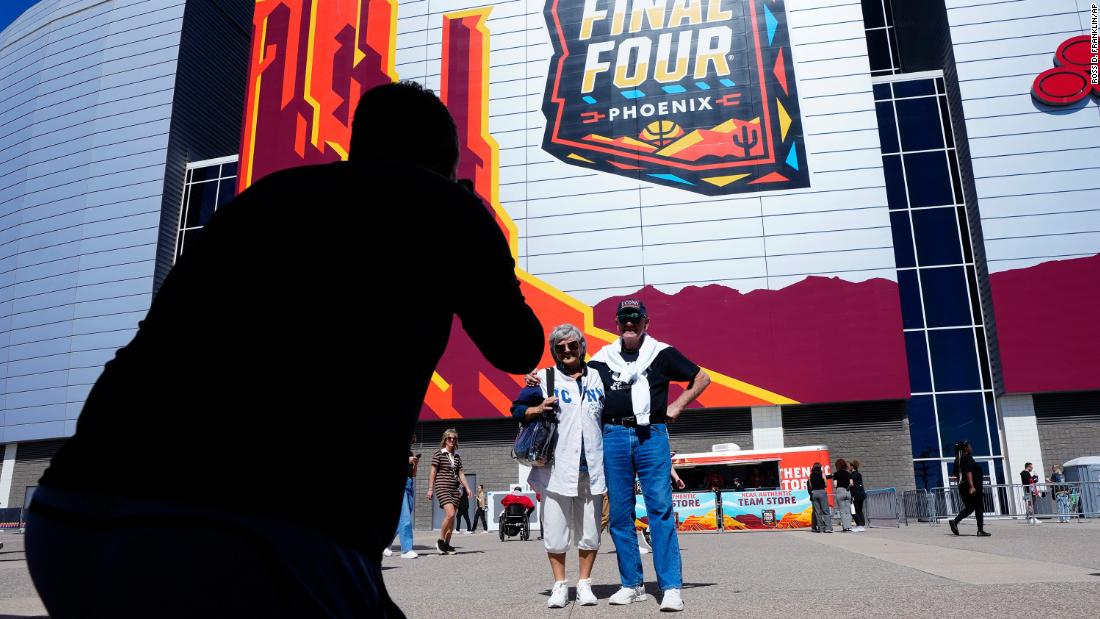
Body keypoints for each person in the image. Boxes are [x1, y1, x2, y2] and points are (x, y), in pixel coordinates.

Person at [23, 81, 543, 618]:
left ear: (356, 144)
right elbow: (518, 347)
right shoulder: (442, 206)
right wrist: (472, 221)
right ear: (442, 158)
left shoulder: (264, 196)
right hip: (252, 527)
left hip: (71, 510)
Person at [592, 299, 711, 612]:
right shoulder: (602, 358)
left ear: (646, 323)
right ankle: (632, 585)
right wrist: (539, 379)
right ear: (616, 324)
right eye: (624, 320)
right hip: (614, 436)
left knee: (659, 510)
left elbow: (702, 378)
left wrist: (679, 405)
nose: (629, 324)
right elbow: (573, 378)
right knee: (619, 515)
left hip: (651, 435)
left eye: (635, 319)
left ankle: (671, 587)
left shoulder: (661, 353)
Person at [511, 323, 606, 609]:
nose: (566, 350)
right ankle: (560, 585)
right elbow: (516, 409)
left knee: (591, 530)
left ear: (582, 347)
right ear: (554, 351)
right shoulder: (543, 378)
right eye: (560, 347)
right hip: (555, 469)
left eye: (572, 345)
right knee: (555, 530)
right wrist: (537, 409)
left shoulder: (598, 377)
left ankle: (586, 584)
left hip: (592, 466)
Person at [429, 429, 473, 554]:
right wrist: (430, 489)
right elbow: (432, 472)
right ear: (445, 440)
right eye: (449, 438)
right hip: (442, 487)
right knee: (451, 513)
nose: (452, 440)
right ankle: (440, 541)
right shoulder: (438, 454)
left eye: (454, 438)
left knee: (452, 519)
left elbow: (461, 473)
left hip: (455, 489)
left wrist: (468, 488)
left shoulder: (457, 456)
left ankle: (447, 544)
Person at [384, 437, 420, 558]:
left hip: (409, 484)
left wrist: (415, 464)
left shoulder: (410, 453)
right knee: (405, 517)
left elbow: (414, 474)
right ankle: (406, 549)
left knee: (403, 516)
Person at [949, 440, 990, 537]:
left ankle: (955, 521)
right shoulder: (967, 457)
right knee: (978, 507)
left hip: (962, 487)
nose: (971, 448)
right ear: (965, 448)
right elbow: (968, 472)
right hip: (972, 487)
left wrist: (961, 486)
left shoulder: (957, 460)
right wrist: (971, 486)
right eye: (969, 446)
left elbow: (956, 475)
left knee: (970, 507)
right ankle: (980, 530)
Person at [809, 463, 831, 533]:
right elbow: (826, 484)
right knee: (825, 511)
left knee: (817, 512)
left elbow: (810, 485)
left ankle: (820, 528)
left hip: (814, 492)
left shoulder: (810, 475)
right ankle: (828, 528)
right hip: (822, 492)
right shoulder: (822, 474)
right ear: (820, 468)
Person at [833, 459, 853, 532]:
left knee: (842, 511)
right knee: (848, 510)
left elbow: (835, 484)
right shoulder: (848, 474)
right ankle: (849, 527)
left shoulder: (836, 474)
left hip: (840, 491)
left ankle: (845, 527)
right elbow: (851, 483)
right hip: (847, 491)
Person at [850, 459, 867, 532]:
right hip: (862, 494)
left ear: (852, 466)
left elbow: (853, 486)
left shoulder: (852, 475)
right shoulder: (859, 474)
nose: (849, 468)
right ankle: (862, 524)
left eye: (850, 466)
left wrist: (852, 495)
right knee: (859, 509)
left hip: (856, 495)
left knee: (854, 510)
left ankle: (859, 525)